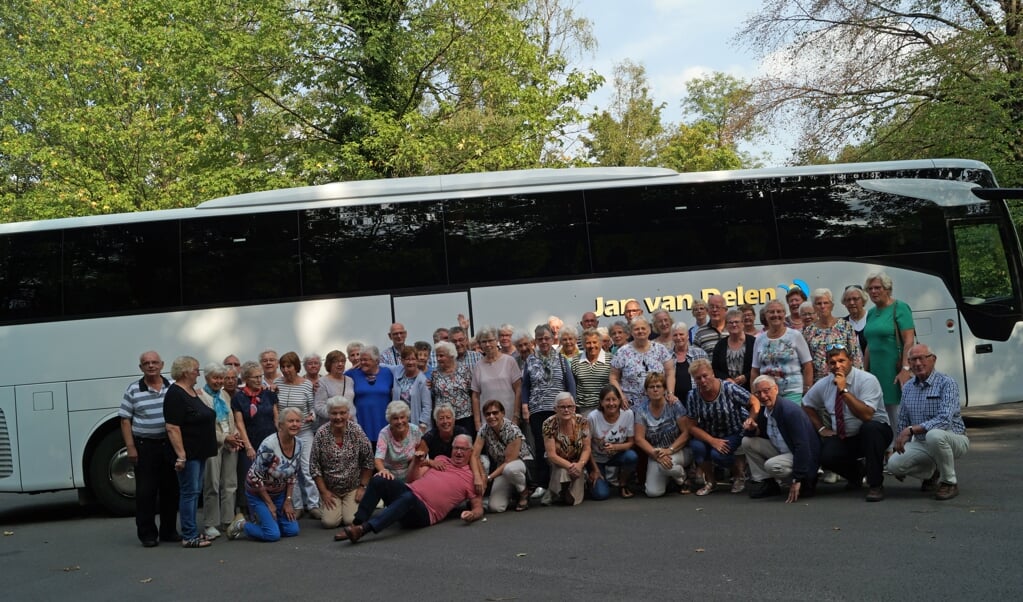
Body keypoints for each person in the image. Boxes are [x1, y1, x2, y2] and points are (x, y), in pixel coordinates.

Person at [334, 434, 484, 543]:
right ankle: (357, 523)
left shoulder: (472, 478)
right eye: (456, 448)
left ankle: (363, 530)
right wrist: (417, 463)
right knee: (380, 478)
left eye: (463, 449)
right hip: (408, 492)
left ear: (470, 452)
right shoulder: (440, 460)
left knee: (409, 498)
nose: (458, 452)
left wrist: (472, 515)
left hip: (424, 512)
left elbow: (478, 508)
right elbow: (411, 479)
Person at [802, 346, 893, 501]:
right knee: (827, 455)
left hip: (876, 432)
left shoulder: (867, 380)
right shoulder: (825, 383)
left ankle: (875, 485)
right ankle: (856, 474)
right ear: (827, 365)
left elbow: (866, 415)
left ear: (851, 361)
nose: (837, 366)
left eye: (841, 361)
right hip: (846, 436)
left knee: (870, 429)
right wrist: (821, 428)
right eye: (832, 362)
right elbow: (806, 404)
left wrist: (843, 390)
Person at [887, 344, 969, 501]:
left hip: (954, 438)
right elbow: (903, 419)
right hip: (923, 443)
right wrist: (897, 443)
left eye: (922, 358)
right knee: (893, 465)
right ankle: (933, 472)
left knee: (934, 435)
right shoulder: (908, 387)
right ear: (909, 364)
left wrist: (911, 430)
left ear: (933, 359)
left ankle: (949, 482)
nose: (918, 363)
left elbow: (944, 420)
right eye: (913, 360)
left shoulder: (947, 383)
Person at [119, 351, 178, 547]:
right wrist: (131, 447)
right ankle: (147, 534)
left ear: (162, 365)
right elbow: (125, 420)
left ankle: (169, 531)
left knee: (171, 490)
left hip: (169, 446)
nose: (151, 366)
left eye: (154, 362)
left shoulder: (172, 387)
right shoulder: (134, 389)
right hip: (145, 447)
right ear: (141, 368)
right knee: (146, 492)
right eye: (146, 363)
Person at [227, 408, 304, 542]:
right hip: (258, 492)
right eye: (290, 421)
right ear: (280, 425)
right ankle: (241, 524)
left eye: (298, 421)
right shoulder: (269, 445)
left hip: (279, 493)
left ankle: (266, 521)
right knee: (272, 535)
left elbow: (293, 474)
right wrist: (269, 504)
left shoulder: (299, 444)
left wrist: (288, 501)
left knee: (292, 530)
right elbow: (256, 477)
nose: (295, 424)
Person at [164, 356, 218, 548]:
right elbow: (172, 427)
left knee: (194, 492)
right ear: (186, 372)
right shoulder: (175, 394)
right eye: (196, 369)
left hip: (199, 451)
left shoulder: (191, 392)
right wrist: (181, 455)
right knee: (189, 493)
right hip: (189, 454)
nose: (198, 372)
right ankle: (189, 535)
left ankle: (193, 531)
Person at [741, 376, 820, 502]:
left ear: (776, 389)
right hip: (783, 450)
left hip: (802, 456)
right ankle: (766, 483)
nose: (763, 396)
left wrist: (798, 479)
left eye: (766, 390)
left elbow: (803, 446)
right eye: (758, 393)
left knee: (771, 465)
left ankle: (804, 482)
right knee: (747, 442)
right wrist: (752, 429)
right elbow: (763, 435)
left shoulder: (789, 411)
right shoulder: (765, 410)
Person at [685, 359, 755, 496]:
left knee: (719, 455)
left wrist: (751, 419)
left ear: (712, 373)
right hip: (709, 432)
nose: (703, 381)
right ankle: (711, 482)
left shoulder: (729, 388)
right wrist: (712, 441)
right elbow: (691, 426)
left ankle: (739, 475)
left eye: (705, 376)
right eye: (698, 378)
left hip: (733, 430)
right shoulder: (692, 395)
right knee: (697, 446)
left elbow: (754, 401)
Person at [522, 324, 577, 493]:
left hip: (559, 410)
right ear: (535, 341)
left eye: (546, 338)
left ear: (553, 339)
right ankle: (542, 484)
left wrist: (572, 405)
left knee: (560, 445)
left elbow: (570, 384)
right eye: (540, 339)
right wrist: (525, 405)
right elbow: (525, 386)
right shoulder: (530, 360)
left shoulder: (561, 359)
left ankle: (561, 481)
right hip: (538, 409)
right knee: (541, 447)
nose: (544, 341)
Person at [310, 396, 373, 529]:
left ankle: (360, 502)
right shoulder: (321, 434)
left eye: (342, 413)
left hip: (353, 487)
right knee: (329, 523)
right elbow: (314, 467)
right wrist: (324, 492)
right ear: (329, 414)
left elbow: (368, 460)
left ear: (348, 413)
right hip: (331, 489)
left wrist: (362, 487)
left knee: (351, 520)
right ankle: (332, 505)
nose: (338, 417)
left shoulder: (356, 431)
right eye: (334, 413)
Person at [198, 363, 244, 540]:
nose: (218, 381)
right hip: (213, 444)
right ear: (206, 378)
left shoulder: (224, 394)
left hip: (230, 443)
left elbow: (230, 419)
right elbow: (204, 426)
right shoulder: (201, 396)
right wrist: (224, 438)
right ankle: (210, 523)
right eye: (215, 378)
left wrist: (235, 435)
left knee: (230, 484)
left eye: (221, 378)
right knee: (212, 484)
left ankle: (227, 520)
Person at [863, 271, 916, 425]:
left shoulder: (900, 307)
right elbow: (869, 345)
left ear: (887, 289)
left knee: (898, 413)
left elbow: (909, 341)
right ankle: (888, 447)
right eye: (870, 289)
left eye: (877, 287)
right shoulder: (871, 313)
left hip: (894, 370)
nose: (873, 291)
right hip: (875, 371)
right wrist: (864, 371)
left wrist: (905, 369)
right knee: (880, 412)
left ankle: (903, 447)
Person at [274, 351, 318, 518]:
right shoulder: (277, 384)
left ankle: (313, 504)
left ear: (296, 367)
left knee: (306, 469)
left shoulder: (306, 384)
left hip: (305, 431)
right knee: (291, 471)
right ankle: (297, 505)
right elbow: (275, 407)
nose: (286, 370)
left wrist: (311, 417)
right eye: (283, 366)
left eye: (289, 366)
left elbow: (312, 407)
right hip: (285, 434)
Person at [633, 373, 692, 497]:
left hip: (677, 450)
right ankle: (670, 478)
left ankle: (682, 478)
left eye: (659, 386)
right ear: (646, 391)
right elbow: (639, 439)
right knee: (653, 492)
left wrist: (669, 450)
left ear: (665, 389)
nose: (655, 389)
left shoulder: (674, 404)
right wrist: (656, 454)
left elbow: (686, 432)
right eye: (651, 387)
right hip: (656, 453)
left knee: (665, 467)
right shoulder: (641, 410)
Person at [231, 362, 279, 511]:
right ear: (245, 378)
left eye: (260, 376)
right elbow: (240, 424)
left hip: (270, 441)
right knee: (250, 478)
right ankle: (250, 511)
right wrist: (248, 446)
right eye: (255, 377)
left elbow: (276, 419)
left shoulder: (269, 395)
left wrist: (280, 442)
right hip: (251, 442)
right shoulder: (238, 398)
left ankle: (273, 509)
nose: (259, 380)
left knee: (271, 477)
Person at [474, 400, 533, 512]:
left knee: (510, 470)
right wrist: (479, 476)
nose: (491, 416)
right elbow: (474, 455)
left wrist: (488, 478)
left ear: (503, 413)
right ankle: (512, 491)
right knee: (496, 507)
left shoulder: (512, 430)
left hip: (519, 463)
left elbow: (508, 461)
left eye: (495, 413)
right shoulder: (484, 429)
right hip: (501, 466)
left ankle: (524, 492)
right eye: (488, 414)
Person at [750, 300, 814, 403]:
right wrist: (755, 396)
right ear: (765, 315)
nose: (776, 315)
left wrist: (807, 390)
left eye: (779, 311)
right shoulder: (759, 339)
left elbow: (807, 365)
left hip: (793, 393)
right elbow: (755, 370)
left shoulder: (795, 335)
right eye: (771, 312)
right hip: (767, 396)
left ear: (784, 314)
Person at [610, 316, 675, 408]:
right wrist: (621, 397)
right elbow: (613, 377)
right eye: (636, 329)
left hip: (658, 404)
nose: (640, 331)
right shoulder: (622, 352)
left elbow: (670, 372)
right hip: (631, 406)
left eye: (643, 328)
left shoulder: (660, 349)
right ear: (631, 332)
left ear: (649, 330)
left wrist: (670, 392)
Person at [587, 385, 638, 500]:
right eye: (607, 400)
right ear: (601, 402)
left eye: (614, 399)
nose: (611, 403)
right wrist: (594, 470)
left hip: (617, 455)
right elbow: (586, 447)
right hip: (597, 459)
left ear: (620, 400)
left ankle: (622, 483)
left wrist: (615, 447)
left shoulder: (628, 414)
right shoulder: (593, 417)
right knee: (601, 495)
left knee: (632, 456)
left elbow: (631, 443)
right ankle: (590, 478)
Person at [542, 393, 591, 506]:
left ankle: (561, 491)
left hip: (578, 462)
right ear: (555, 409)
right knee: (562, 472)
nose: (566, 410)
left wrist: (580, 465)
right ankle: (558, 492)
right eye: (562, 407)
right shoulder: (548, 424)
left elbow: (587, 448)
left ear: (574, 408)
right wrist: (571, 467)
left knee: (572, 501)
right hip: (557, 462)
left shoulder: (583, 422)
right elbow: (551, 454)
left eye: (570, 406)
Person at [804, 288, 863, 383]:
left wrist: (859, 381)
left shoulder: (845, 326)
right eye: (819, 303)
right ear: (814, 307)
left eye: (826, 303)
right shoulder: (808, 331)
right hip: (819, 383)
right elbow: (807, 362)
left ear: (832, 305)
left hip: (844, 380)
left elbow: (855, 356)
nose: (822, 306)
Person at [471, 326, 522, 429]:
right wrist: (477, 422)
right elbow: (475, 396)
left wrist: (516, 416)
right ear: (480, 344)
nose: (487, 344)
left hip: (509, 417)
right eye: (484, 341)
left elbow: (518, 389)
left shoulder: (509, 361)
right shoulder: (478, 366)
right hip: (488, 419)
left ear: (497, 341)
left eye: (490, 340)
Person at [346, 345, 394, 445]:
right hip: (362, 422)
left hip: (384, 422)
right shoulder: (352, 374)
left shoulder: (388, 373)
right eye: (361, 360)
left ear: (376, 361)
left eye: (366, 360)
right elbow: (337, 381)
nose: (362, 362)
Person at [432, 341, 477, 436]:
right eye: (437, 356)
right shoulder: (435, 373)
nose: (438, 359)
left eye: (441, 356)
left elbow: (472, 392)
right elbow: (433, 394)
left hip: (464, 417)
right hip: (444, 420)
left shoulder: (464, 370)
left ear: (451, 355)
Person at [374, 401, 422, 482]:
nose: (400, 421)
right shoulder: (384, 433)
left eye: (402, 417)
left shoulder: (415, 430)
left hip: (412, 472)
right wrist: (383, 471)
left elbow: (421, 450)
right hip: (391, 477)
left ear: (407, 417)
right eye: (395, 418)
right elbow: (378, 460)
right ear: (389, 420)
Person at [571, 328, 612, 414]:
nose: (592, 346)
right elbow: (573, 385)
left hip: (605, 408)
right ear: (583, 345)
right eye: (588, 343)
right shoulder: (576, 360)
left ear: (600, 343)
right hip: (583, 409)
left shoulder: (611, 359)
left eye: (594, 342)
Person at [391, 347, 432, 432]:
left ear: (417, 360)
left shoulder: (422, 380)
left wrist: (423, 425)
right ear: (402, 360)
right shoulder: (397, 372)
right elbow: (381, 365)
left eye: (413, 359)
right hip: (399, 424)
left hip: (416, 426)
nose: (410, 362)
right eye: (407, 359)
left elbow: (427, 406)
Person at [712, 309, 755, 390]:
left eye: (737, 322)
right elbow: (715, 369)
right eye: (730, 322)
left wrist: (746, 376)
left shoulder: (753, 343)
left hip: (749, 389)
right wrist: (726, 379)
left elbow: (758, 366)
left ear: (742, 323)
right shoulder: (720, 345)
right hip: (727, 390)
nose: (734, 325)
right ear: (726, 325)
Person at [313, 350, 355, 427]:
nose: (340, 364)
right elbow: (319, 407)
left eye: (342, 361)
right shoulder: (322, 382)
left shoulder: (350, 380)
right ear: (329, 364)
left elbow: (352, 404)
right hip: (331, 427)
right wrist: (339, 416)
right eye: (336, 361)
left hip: (351, 424)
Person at [670, 321, 708, 403]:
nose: (678, 337)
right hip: (675, 403)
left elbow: (709, 376)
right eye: (675, 335)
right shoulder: (667, 356)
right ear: (671, 337)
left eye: (681, 334)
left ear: (687, 335)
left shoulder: (700, 353)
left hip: (698, 400)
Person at [841, 284, 869, 353]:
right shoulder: (842, 324)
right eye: (848, 300)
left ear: (863, 301)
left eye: (855, 299)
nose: (852, 302)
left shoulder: (872, 319)